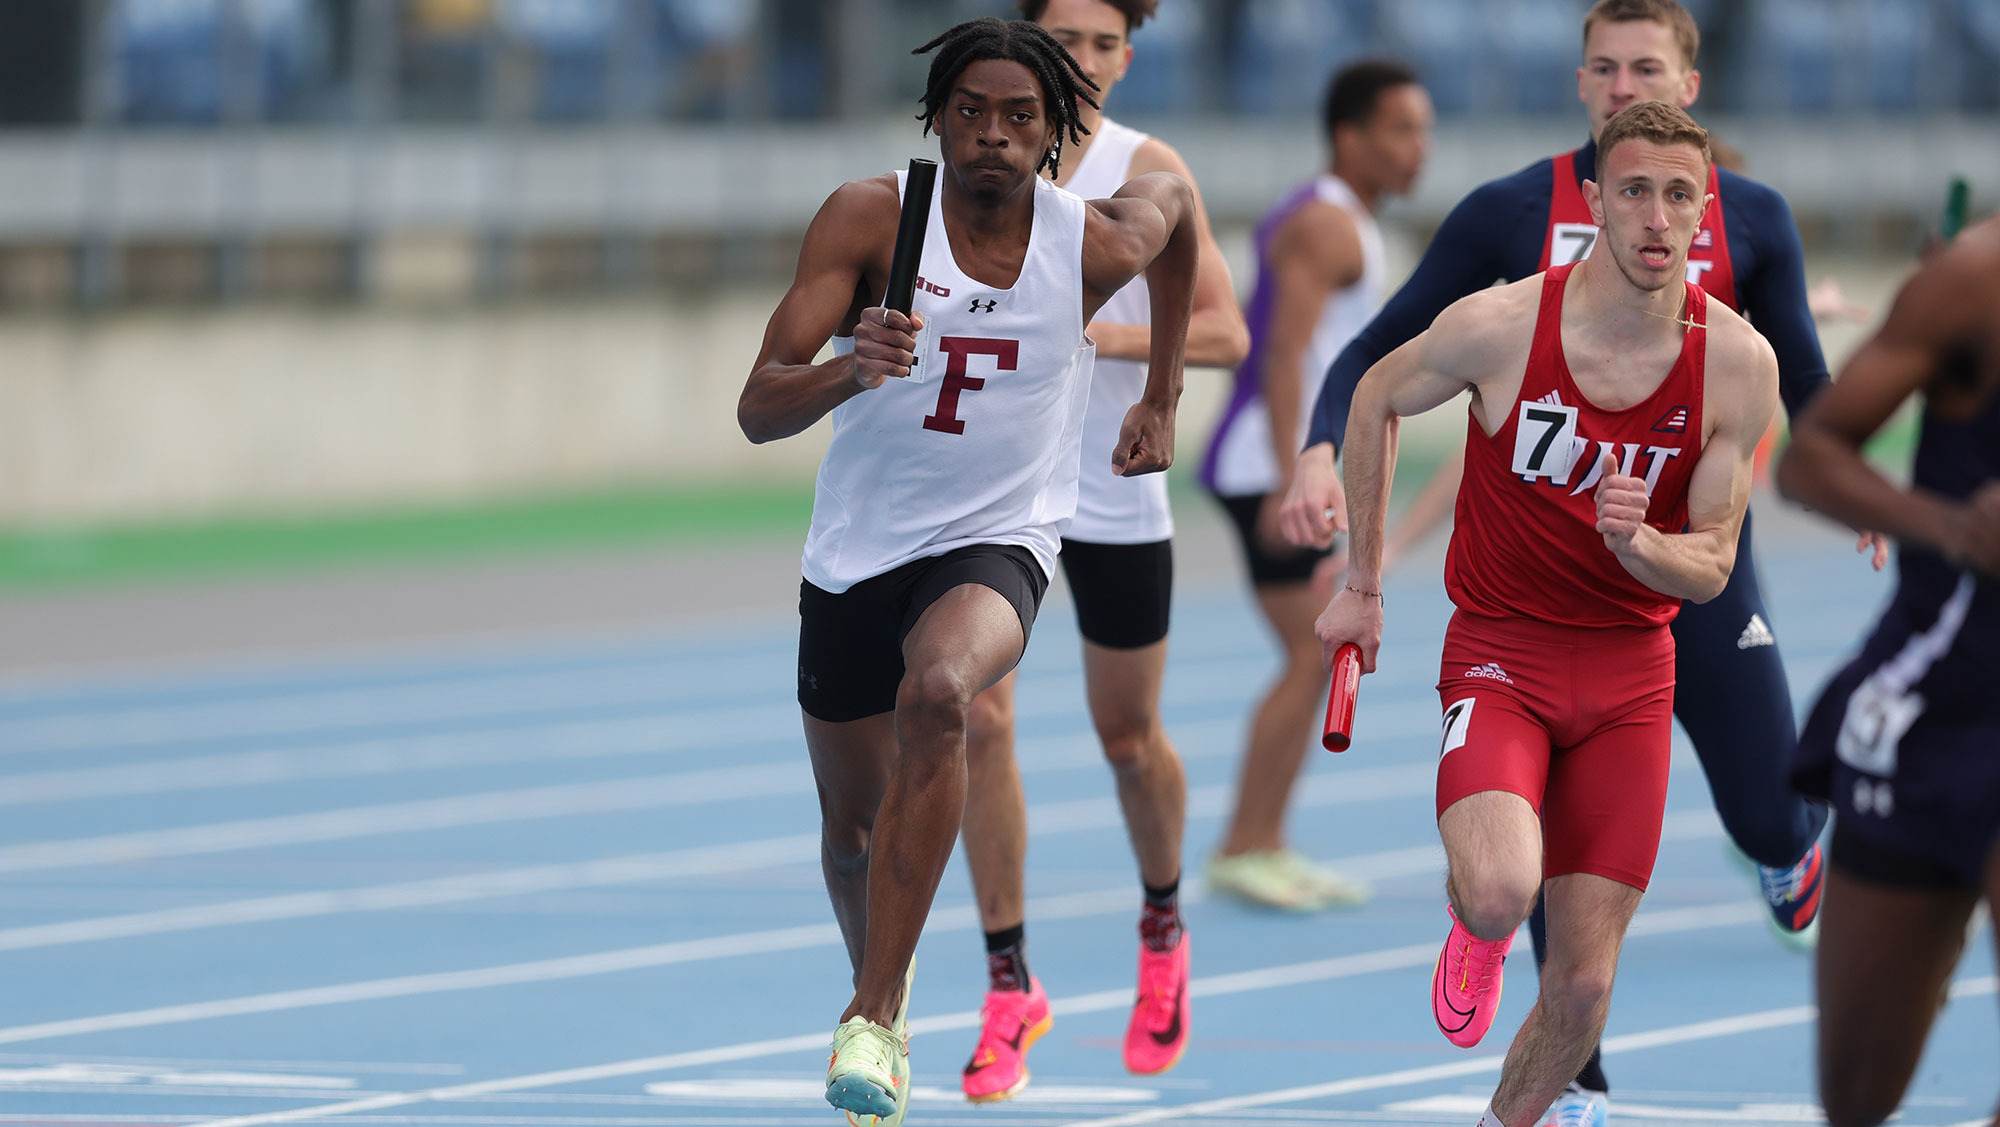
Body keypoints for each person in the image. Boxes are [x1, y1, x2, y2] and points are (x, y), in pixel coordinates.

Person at [1279, 3, 1875, 1121]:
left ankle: (1543, 1069)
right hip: (1507, 642)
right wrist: (1360, 577)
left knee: (1669, 901)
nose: (1658, 215)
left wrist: (1650, 538)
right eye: (1600, 68)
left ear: (1707, 199)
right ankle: (1498, 952)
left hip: (1642, 642)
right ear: (1592, 196)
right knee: (1507, 887)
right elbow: (1373, 377)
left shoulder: (1734, 343)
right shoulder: (1505, 283)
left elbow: (1765, 438)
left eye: (1679, 195)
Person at [734, 17, 1199, 1126]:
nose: (992, 134)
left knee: (944, 693)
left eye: (1019, 118)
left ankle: (875, 1010)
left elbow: (1175, 218)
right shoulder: (869, 218)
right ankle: (879, 984)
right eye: (972, 112)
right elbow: (756, 406)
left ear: (1051, 138)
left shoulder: (1082, 241)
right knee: (851, 827)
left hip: (1000, 536)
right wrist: (851, 367)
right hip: (857, 548)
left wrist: (1162, 392)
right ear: (937, 117)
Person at [954, 0, 1248, 1103]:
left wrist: (1106, 340)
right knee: (977, 716)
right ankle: (1005, 981)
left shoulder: (1146, 167)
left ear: (1127, 58)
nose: (1080, 62)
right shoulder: (977, 154)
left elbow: (1225, 329)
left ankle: (1161, 920)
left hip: (1112, 490)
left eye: (1100, 44)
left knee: (1126, 737)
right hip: (993, 491)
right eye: (1061, 40)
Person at [1775, 214, 2000, 1127]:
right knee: (1857, 1093)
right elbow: (1810, 459)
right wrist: (1952, 528)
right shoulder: (1974, 280)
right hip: (1931, 708)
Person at [1195, 59, 1431, 911]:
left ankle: (1264, 839)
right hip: (1270, 463)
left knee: (1314, 649)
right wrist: (1294, 472)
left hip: (1288, 460)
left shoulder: (1346, 222)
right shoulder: (1327, 227)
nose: (1420, 149)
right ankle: (1241, 845)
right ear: (1350, 137)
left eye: (1424, 130)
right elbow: (1282, 352)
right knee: (1309, 650)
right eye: (1403, 129)